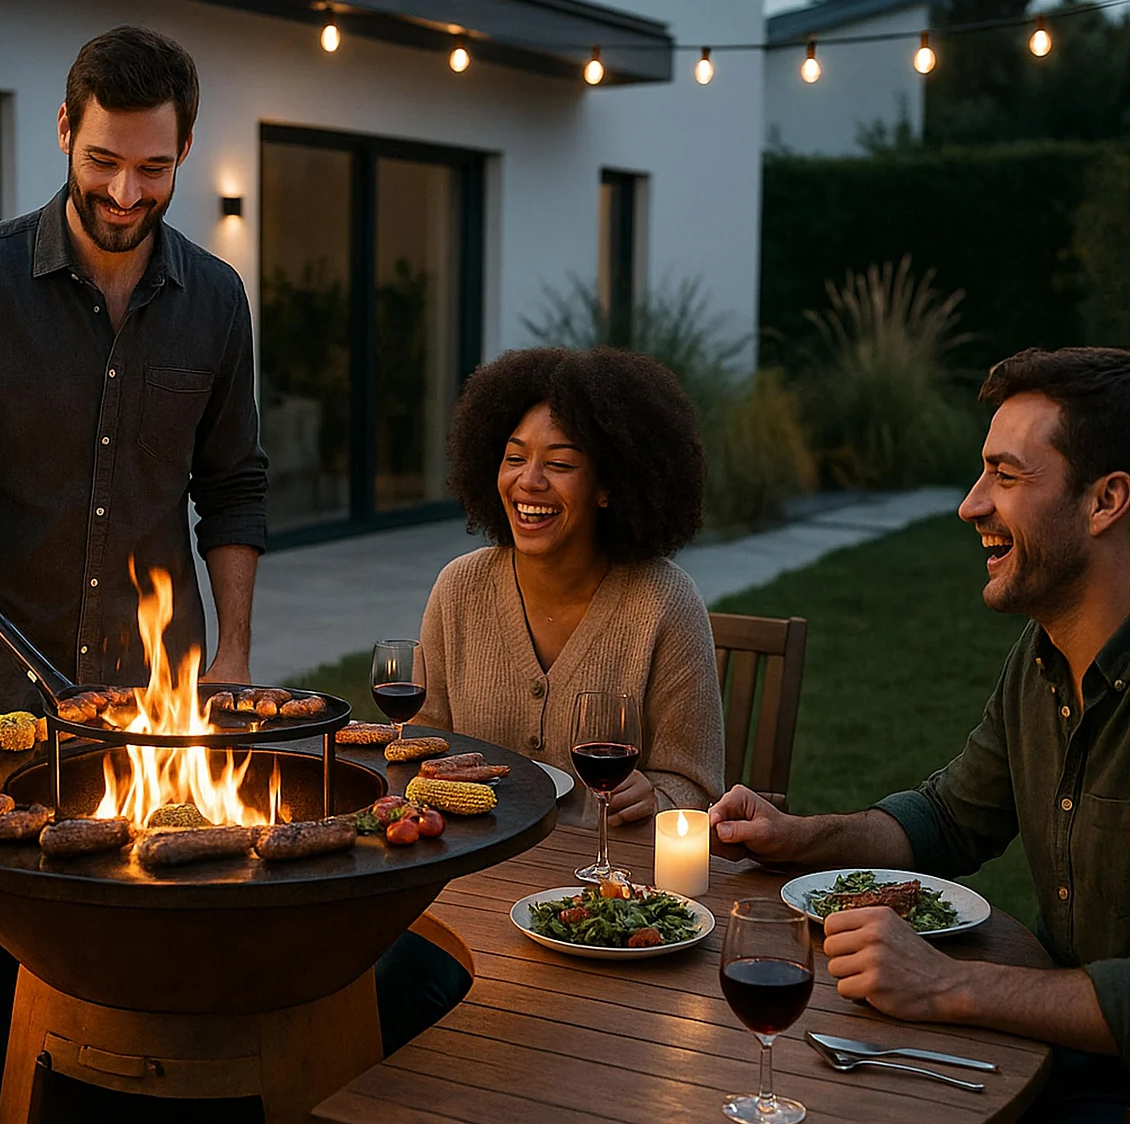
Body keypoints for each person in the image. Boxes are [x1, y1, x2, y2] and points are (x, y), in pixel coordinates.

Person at [0, 26, 266, 1124]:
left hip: (149, 713)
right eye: (105, 161)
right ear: (65, 132)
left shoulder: (215, 301)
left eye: (154, 167)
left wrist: (234, 654)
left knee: (147, 984)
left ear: (183, 153)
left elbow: (237, 489)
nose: (127, 191)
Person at [709, 347, 1128, 1120]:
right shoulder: (1040, 659)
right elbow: (949, 817)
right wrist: (801, 836)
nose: (971, 505)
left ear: (1105, 501)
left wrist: (946, 982)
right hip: (1044, 1060)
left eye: (1007, 476)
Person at [418, 346, 725, 826]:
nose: (529, 481)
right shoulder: (459, 588)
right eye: (514, 457)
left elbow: (696, 788)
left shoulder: (663, 603)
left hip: (605, 881)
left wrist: (658, 800)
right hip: (474, 865)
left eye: (559, 465)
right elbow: (425, 737)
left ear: (609, 486)